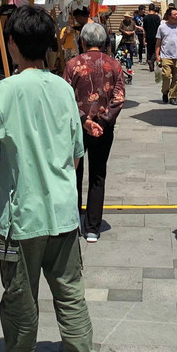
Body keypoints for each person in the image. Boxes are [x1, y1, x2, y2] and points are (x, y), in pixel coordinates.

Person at [0, 5, 104, 352]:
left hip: (22, 217)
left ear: (12, 43)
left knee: (20, 298)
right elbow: (77, 152)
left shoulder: (8, 89)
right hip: (62, 213)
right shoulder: (61, 86)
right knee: (70, 293)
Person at [64, 22, 126, 243]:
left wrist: (83, 119)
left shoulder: (73, 65)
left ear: (83, 41)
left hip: (77, 127)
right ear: (104, 42)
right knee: (98, 174)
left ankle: (73, 219)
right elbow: (119, 98)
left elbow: (65, 97)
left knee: (74, 172)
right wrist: (104, 119)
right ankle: (92, 227)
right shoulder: (114, 65)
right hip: (104, 128)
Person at [156, 7, 177, 104]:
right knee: (166, 75)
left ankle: (173, 96)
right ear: (169, 16)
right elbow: (158, 42)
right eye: (174, 14)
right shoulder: (162, 27)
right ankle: (165, 92)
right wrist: (157, 55)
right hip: (165, 55)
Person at [142, 4, 161, 72]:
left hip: (148, 36)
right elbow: (159, 27)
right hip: (156, 36)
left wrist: (144, 38)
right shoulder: (157, 17)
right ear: (154, 9)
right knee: (156, 50)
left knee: (149, 50)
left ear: (148, 8)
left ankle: (150, 63)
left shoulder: (146, 18)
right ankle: (152, 60)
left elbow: (144, 29)